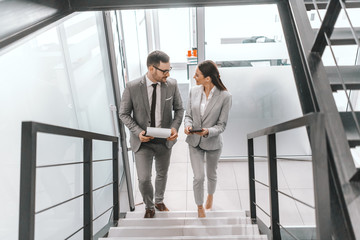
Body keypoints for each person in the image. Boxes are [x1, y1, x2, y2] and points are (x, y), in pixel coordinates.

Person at [119, 50, 184, 218]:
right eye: (164, 70)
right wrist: (138, 131)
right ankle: (149, 205)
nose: (168, 74)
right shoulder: (132, 87)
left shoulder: (172, 84)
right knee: (144, 179)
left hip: (164, 141)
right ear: (151, 68)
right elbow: (123, 114)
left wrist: (175, 128)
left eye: (169, 69)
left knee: (162, 173)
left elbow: (179, 109)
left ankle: (159, 200)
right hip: (143, 142)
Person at [184, 60, 232, 218]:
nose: (194, 77)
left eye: (197, 75)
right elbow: (188, 115)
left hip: (213, 143)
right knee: (199, 177)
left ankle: (210, 195)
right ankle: (199, 206)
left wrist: (206, 132)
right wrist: (188, 126)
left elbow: (221, 126)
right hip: (194, 142)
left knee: (211, 174)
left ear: (208, 78)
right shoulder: (193, 91)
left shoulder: (225, 97)